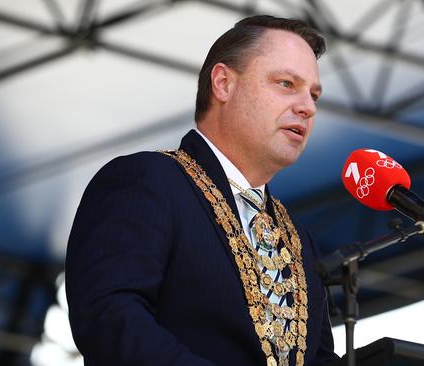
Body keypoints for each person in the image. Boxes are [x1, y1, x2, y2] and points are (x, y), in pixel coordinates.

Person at [65, 15, 339, 366]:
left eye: (313, 94)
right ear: (223, 84)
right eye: (286, 83)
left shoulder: (299, 239)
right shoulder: (148, 180)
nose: (308, 106)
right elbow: (110, 318)